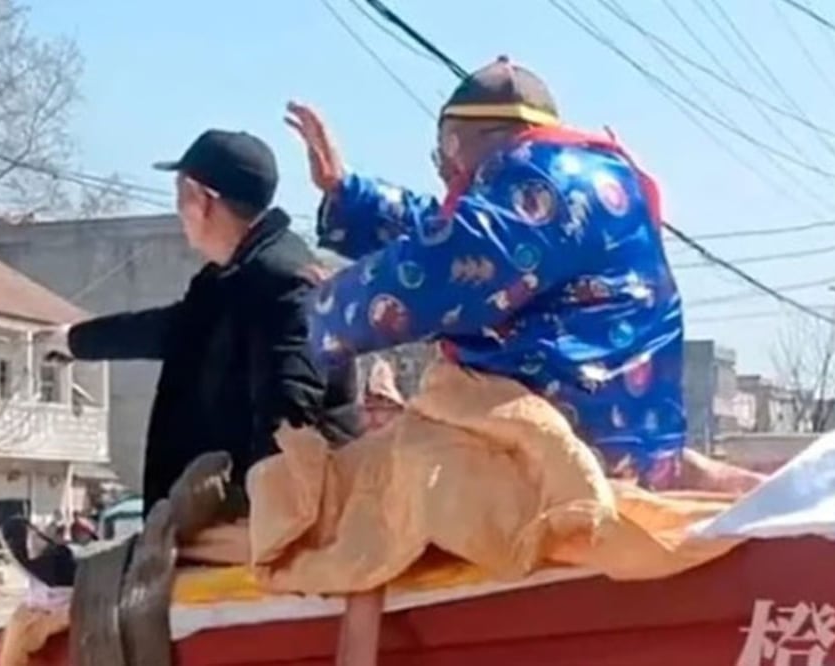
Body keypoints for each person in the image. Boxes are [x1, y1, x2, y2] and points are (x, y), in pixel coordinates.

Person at [287, 56, 687, 490]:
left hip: (580, 447)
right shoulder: (578, 174)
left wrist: (310, 314)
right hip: (623, 429)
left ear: (471, 141)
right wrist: (347, 193)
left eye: (443, 153)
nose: (442, 170)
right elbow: (442, 229)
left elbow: (441, 270)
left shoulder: (541, 183)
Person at [3, 129, 362, 587]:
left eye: (180, 196)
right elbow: (173, 330)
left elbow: (290, 412)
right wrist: (77, 341)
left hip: (289, 507)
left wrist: (244, 501)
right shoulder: (236, 276)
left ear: (201, 200)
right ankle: (82, 571)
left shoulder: (282, 280)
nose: (179, 212)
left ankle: (80, 574)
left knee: (162, 559)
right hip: (242, 496)